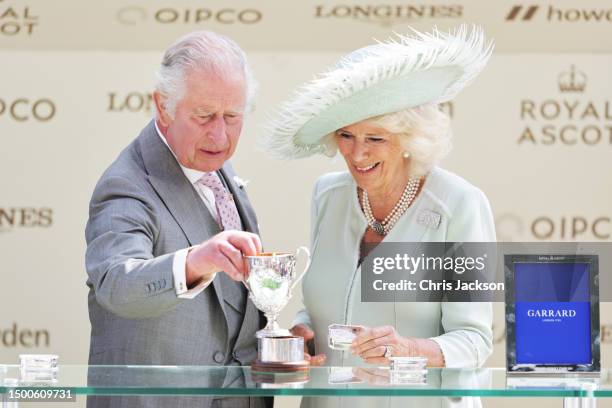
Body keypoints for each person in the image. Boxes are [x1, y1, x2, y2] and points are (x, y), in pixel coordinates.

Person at [263, 25, 495, 407]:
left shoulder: (459, 204)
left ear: (409, 138)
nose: (357, 155)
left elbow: (474, 340)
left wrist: (408, 348)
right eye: (346, 135)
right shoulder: (328, 195)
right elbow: (326, 302)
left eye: (375, 139)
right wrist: (304, 332)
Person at [85, 31, 271, 408]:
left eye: (232, 117)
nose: (220, 135)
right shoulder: (126, 185)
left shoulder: (210, 161)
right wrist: (195, 262)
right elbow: (115, 284)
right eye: (204, 116)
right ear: (163, 106)